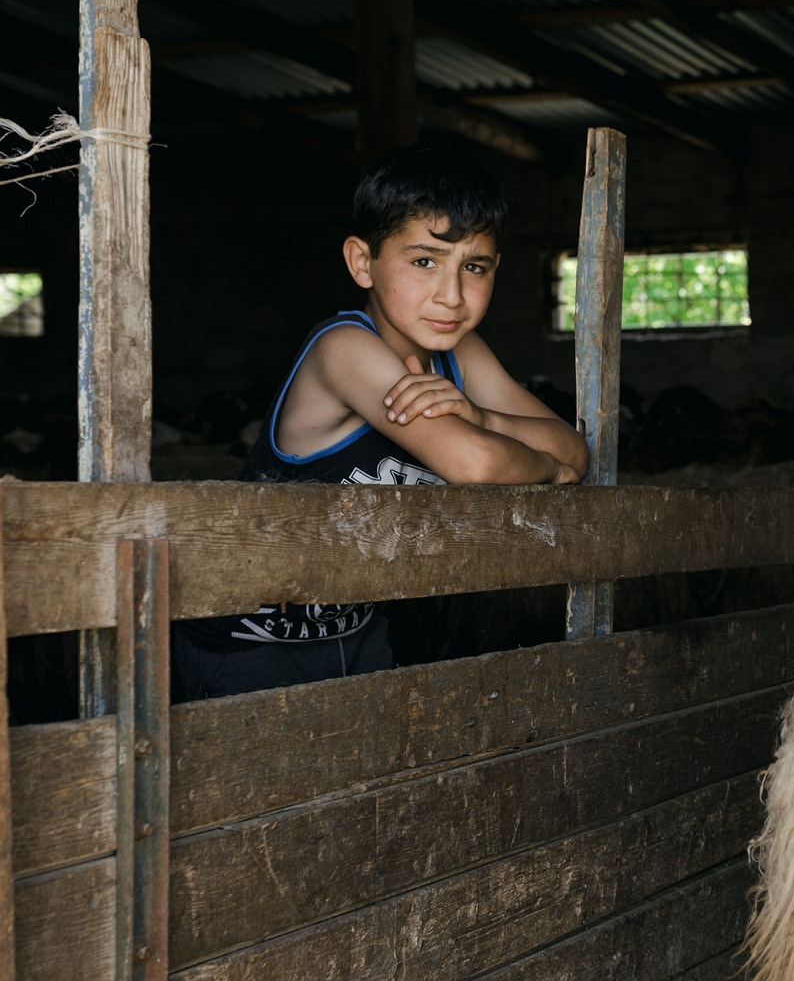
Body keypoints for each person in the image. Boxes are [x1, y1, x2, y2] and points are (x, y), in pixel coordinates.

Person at [174, 144, 587, 702]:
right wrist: (550, 471)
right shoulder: (344, 348)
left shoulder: (461, 354)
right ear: (362, 262)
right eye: (424, 262)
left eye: (474, 266)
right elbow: (477, 463)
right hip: (245, 640)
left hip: (358, 630)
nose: (452, 295)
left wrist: (481, 414)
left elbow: (577, 448)